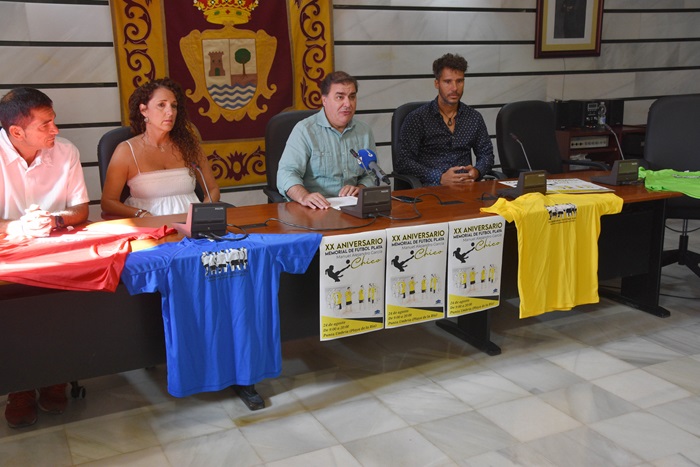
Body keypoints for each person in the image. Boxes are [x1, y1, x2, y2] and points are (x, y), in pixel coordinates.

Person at [0, 87, 90, 428]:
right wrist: (17, 226)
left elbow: (81, 209)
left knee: (65, 303)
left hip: (56, 245)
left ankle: (57, 375)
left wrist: (54, 219)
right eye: (46, 124)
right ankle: (20, 387)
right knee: (14, 307)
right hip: (7, 249)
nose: (56, 131)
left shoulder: (65, 152)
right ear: (17, 132)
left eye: (54, 121)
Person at [101, 77, 220, 218]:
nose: (170, 112)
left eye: (174, 106)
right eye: (161, 105)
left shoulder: (190, 146)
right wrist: (141, 214)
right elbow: (108, 202)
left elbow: (212, 190)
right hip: (149, 230)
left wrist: (202, 214)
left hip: (192, 228)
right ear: (144, 110)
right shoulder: (126, 151)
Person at [276, 71, 377, 209]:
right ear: (324, 100)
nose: (348, 104)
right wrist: (304, 196)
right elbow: (286, 173)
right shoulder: (305, 130)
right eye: (340, 97)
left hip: (353, 207)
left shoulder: (364, 131)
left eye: (352, 97)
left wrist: (360, 188)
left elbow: (370, 173)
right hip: (314, 209)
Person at [397, 53, 495, 186]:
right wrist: (439, 177)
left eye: (459, 81)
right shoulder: (417, 118)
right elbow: (403, 162)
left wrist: (477, 171)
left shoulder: (473, 117)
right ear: (437, 83)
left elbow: (487, 155)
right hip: (430, 191)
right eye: (448, 82)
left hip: (467, 188)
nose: (454, 88)